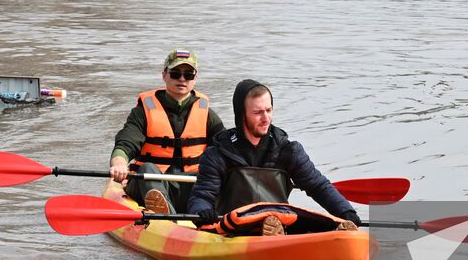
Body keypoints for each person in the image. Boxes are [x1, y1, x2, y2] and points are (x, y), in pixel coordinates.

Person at [187, 79, 362, 237]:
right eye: (258, 112)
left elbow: (318, 186)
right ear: (241, 115)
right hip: (234, 231)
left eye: (269, 110)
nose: (266, 119)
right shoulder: (218, 154)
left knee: (321, 222)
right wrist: (202, 211)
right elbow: (202, 195)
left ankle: (338, 233)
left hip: (277, 225)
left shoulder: (289, 151)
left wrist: (346, 211)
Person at [109, 49, 224, 215]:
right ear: (164, 75)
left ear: (195, 78)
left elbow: (226, 148)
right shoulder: (143, 111)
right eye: (176, 73)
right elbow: (127, 140)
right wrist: (119, 162)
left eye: (188, 75)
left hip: (191, 186)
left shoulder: (207, 114)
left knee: (218, 175)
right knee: (148, 168)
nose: (182, 79)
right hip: (149, 183)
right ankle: (168, 220)